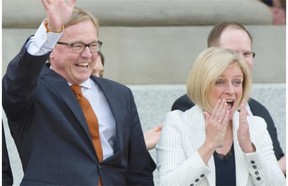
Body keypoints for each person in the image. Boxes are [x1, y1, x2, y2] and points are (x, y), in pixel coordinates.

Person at [2, 0, 155, 185]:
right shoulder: (33, 91)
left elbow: (137, 168)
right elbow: (18, 82)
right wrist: (50, 30)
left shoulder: (120, 94)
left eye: (92, 45)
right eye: (77, 45)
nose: (87, 55)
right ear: (51, 50)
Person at [157, 47, 285, 185]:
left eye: (237, 82)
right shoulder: (177, 123)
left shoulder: (256, 125)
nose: (231, 91)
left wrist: (249, 149)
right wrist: (209, 145)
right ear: (202, 85)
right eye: (219, 82)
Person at [92, 51, 163, 150]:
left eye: (101, 74)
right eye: (91, 73)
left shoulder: (114, 100)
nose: (98, 80)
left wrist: (138, 145)